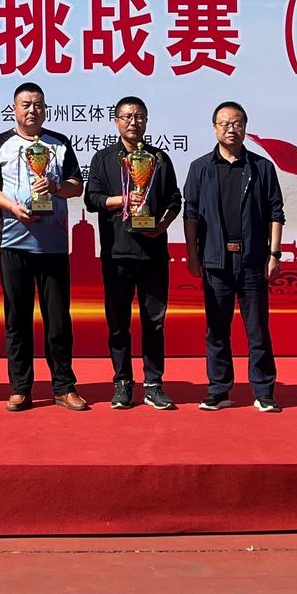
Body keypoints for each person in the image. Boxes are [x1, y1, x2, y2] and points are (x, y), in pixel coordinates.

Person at [0, 82, 88, 412]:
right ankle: (21, 387)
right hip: (14, 243)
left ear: (45, 109)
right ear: (14, 109)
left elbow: (76, 187)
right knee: (17, 320)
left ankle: (64, 387)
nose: (32, 110)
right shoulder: (0, 143)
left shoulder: (59, 143)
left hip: (53, 247)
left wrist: (55, 186)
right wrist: (12, 207)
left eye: (38, 104)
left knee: (58, 321)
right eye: (25, 104)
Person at [181, 101, 283, 413]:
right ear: (214, 128)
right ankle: (219, 390)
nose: (231, 129)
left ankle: (263, 391)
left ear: (245, 128)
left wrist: (274, 254)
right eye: (224, 123)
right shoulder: (200, 168)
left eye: (237, 123)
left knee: (258, 330)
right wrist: (193, 255)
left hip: (252, 260)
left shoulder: (262, 167)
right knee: (216, 330)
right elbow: (191, 214)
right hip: (215, 261)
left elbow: (275, 212)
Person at [84, 95, 183, 410]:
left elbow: (174, 199)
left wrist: (162, 224)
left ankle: (154, 384)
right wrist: (123, 200)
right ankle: (123, 382)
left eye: (139, 116)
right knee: (118, 323)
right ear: (116, 121)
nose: (133, 122)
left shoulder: (159, 158)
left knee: (155, 321)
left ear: (146, 121)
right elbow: (91, 199)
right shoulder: (103, 159)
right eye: (127, 116)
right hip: (117, 254)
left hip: (153, 253)